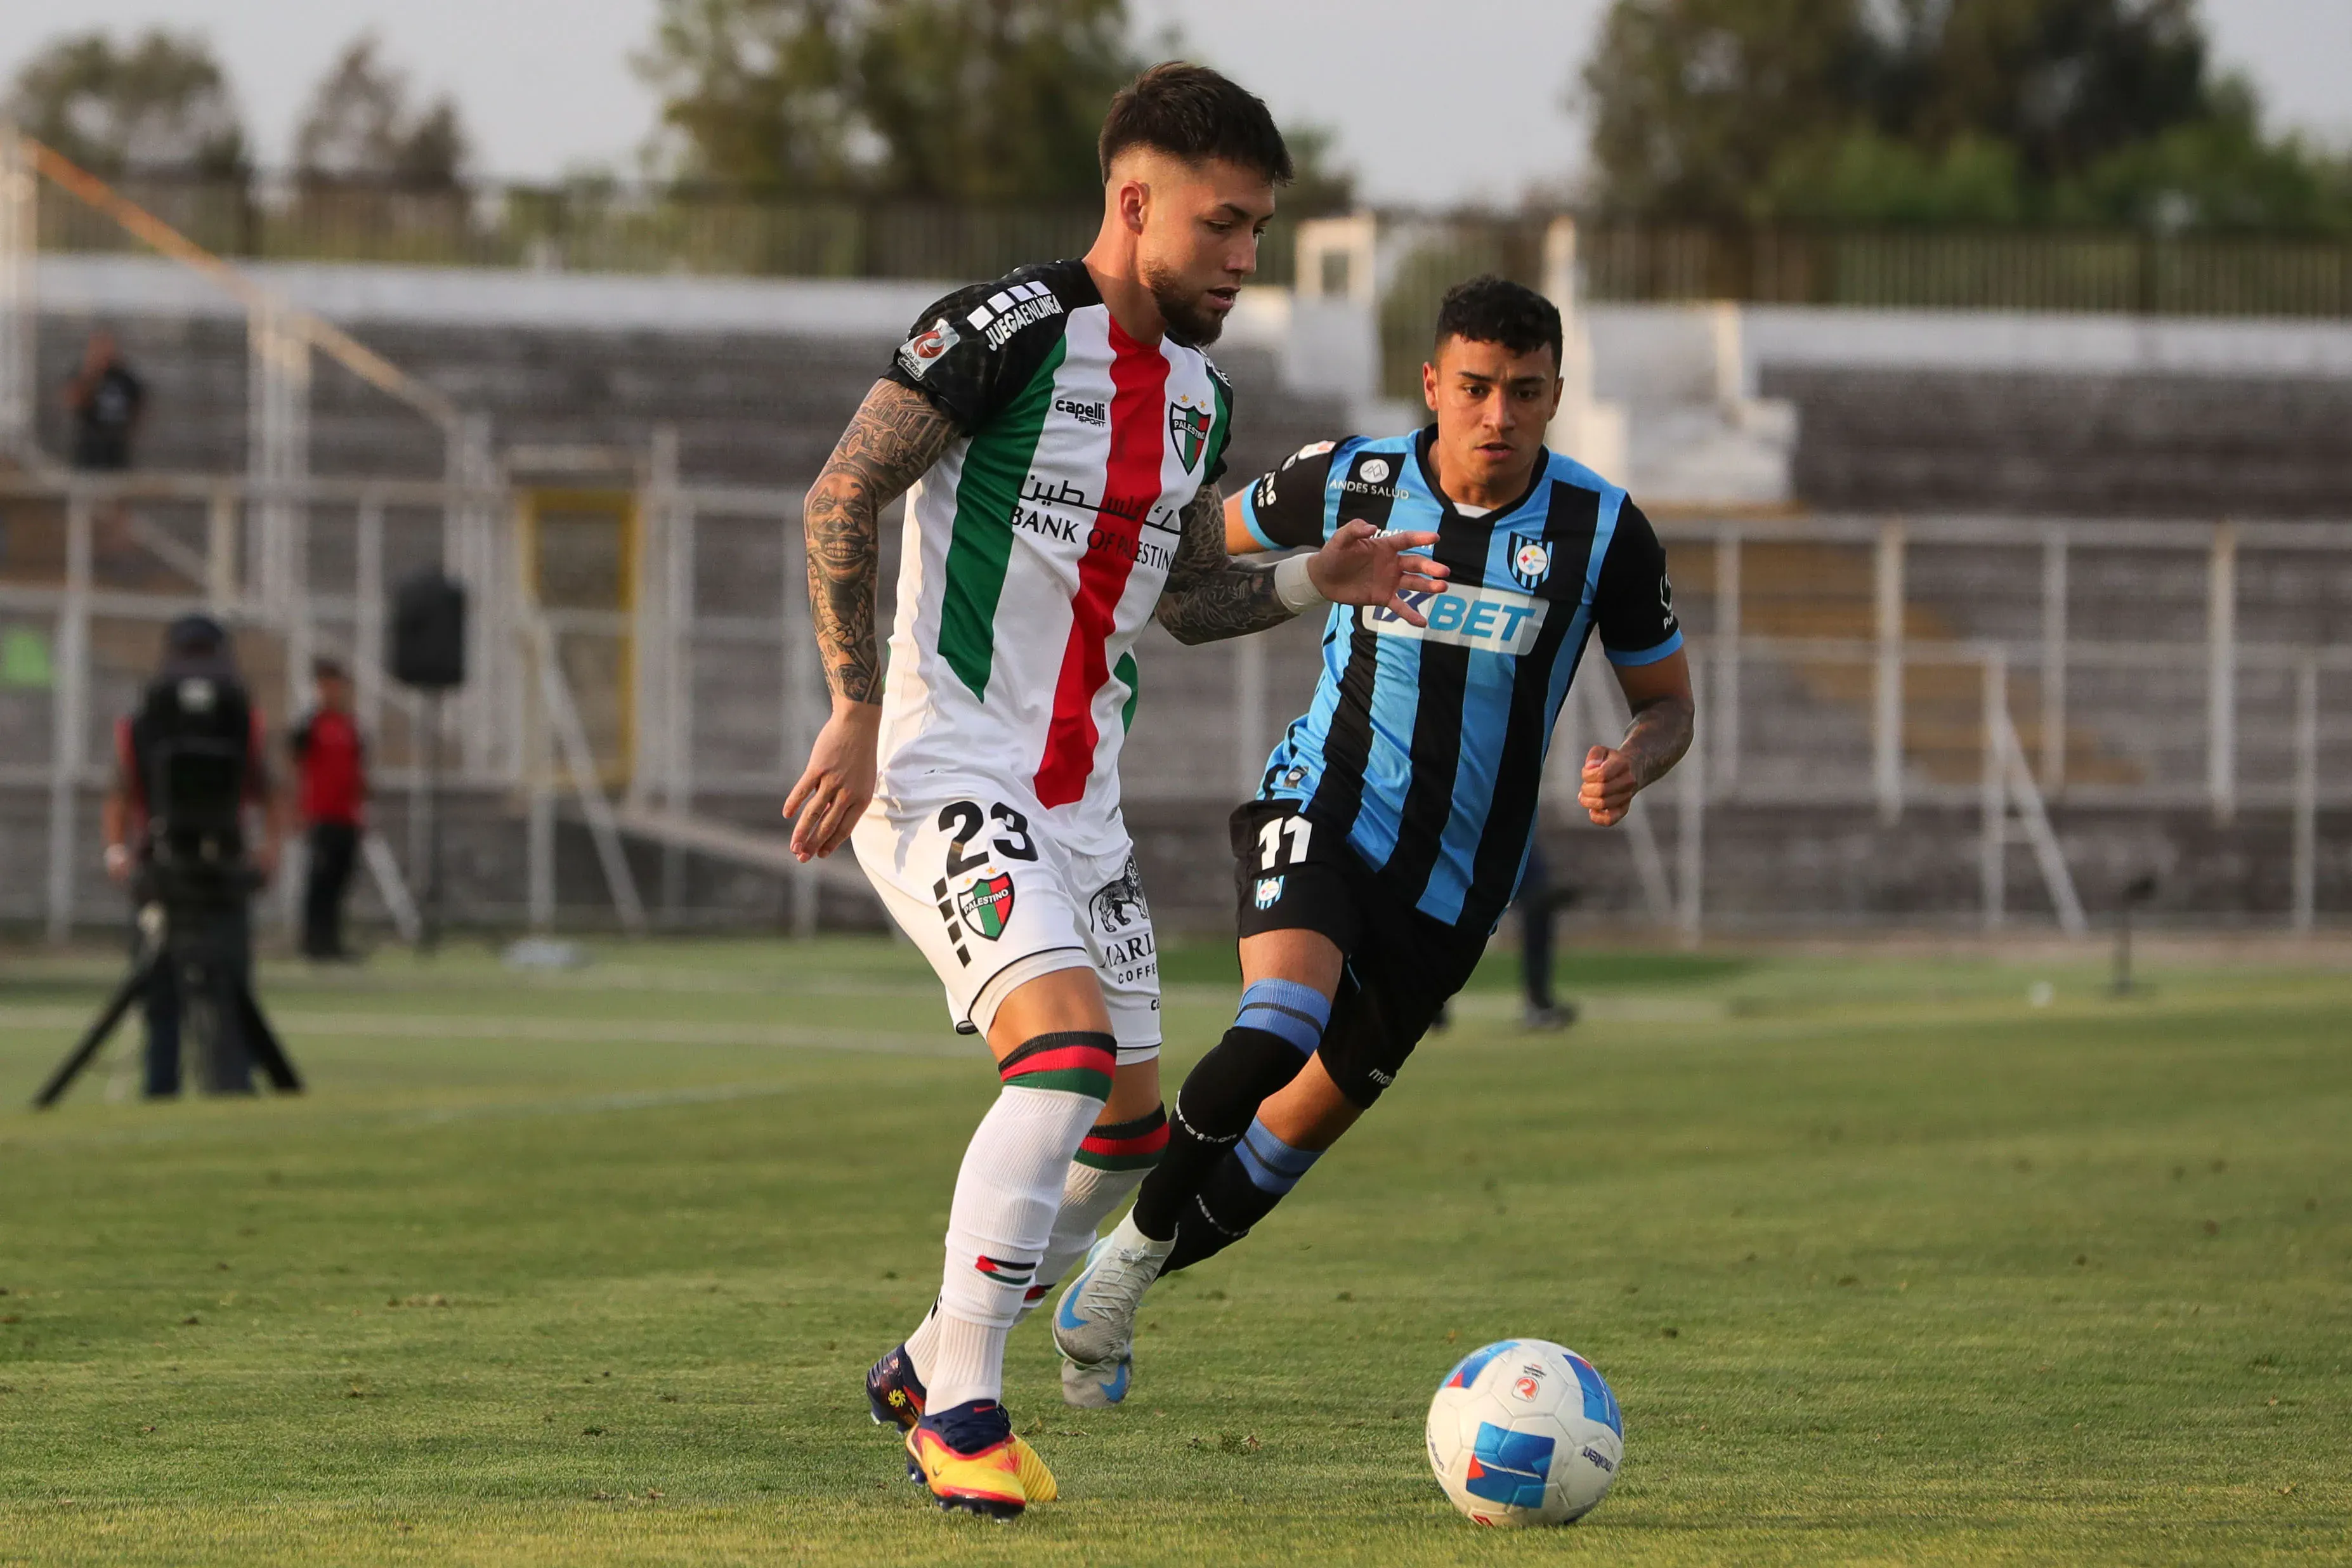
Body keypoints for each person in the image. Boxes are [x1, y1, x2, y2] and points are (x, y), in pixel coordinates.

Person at [782, 63, 1446, 1520]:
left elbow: (1181, 604)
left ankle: (921, 1356)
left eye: (1258, 231)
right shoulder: (1006, 332)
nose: (1242, 259)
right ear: (1133, 202)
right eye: (1221, 225)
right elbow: (842, 493)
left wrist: (1310, 579)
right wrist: (847, 706)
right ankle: (959, 1411)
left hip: (1082, 805)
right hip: (946, 762)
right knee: (1061, 1059)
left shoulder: (1198, 403)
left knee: (1131, 1136)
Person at [1051, 276, 1695, 1406]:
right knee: (1277, 1019)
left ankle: (1114, 1277)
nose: (1498, 415)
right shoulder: (1354, 477)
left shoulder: (1603, 530)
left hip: (1453, 889)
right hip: (1324, 806)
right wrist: (1304, 579)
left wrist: (1633, 759)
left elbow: (1669, 702)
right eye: (1477, 388)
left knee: (1275, 1155)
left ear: (1554, 396)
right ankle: (1108, 1278)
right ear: (1433, 385)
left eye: (1526, 393)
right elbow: (1190, 553)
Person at [101, 614, 283, 1097]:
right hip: (168, 865)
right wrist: (118, 850)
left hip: (217, 867)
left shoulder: (241, 723)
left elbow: (269, 790)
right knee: (162, 990)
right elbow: (120, 792)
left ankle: (230, 1083)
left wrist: (269, 850)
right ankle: (165, 1086)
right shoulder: (149, 724)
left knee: (227, 986)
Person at [287, 657, 367, 961]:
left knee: (339, 880)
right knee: (318, 881)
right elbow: (295, 767)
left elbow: (358, 772)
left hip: (347, 816)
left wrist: (362, 809)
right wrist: (297, 809)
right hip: (320, 816)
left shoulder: (351, 726)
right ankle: (313, 943)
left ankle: (332, 942)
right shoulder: (309, 726)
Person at [1517, 839, 1578, 1029]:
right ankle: (1537, 1004)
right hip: (1528, 893)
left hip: (1535, 894)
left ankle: (1538, 1002)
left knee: (1539, 939)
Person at [63, 329, 144, 473]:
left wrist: (129, 427)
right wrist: (92, 374)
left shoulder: (123, 377)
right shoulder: (84, 374)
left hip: (116, 444)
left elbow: (139, 401)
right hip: (90, 445)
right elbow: (73, 400)